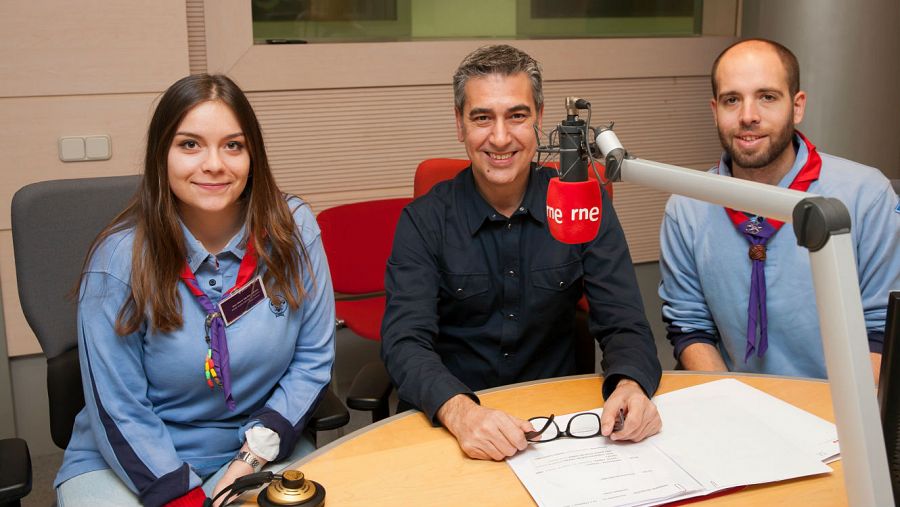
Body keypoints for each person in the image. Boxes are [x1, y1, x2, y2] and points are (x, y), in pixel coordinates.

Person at [54, 74, 335, 506]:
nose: (214, 164)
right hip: (128, 458)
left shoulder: (292, 231)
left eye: (233, 145)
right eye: (190, 145)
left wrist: (246, 462)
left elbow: (312, 361)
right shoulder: (118, 262)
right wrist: (185, 498)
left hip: (255, 447)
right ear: (161, 156)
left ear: (252, 156)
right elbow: (119, 409)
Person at [380, 44, 662, 462]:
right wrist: (459, 411)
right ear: (459, 125)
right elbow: (404, 342)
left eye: (517, 115)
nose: (499, 137)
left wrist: (630, 384)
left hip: (556, 428)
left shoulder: (584, 203)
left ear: (539, 119)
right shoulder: (424, 220)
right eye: (481, 118)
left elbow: (626, 324)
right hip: (455, 427)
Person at [659, 39, 900, 379]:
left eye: (767, 97)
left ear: (797, 106)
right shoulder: (687, 207)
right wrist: (731, 404)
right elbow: (690, 328)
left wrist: (833, 422)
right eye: (732, 100)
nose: (748, 116)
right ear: (715, 110)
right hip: (738, 407)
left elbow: (882, 332)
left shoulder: (866, 196)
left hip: (839, 412)